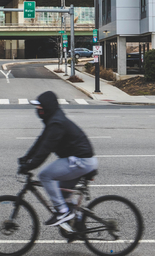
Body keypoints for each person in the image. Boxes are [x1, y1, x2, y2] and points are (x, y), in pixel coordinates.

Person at [17, 90, 98, 227]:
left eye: (40, 107)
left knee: (45, 175)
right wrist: (26, 157)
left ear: (47, 107)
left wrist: (29, 166)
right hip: (80, 160)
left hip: (81, 161)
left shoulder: (56, 124)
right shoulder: (53, 120)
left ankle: (62, 211)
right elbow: (40, 142)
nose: (37, 109)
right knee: (61, 192)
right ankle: (76, 224)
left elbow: (45, 150)